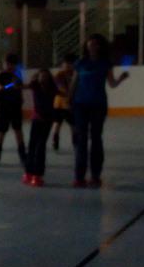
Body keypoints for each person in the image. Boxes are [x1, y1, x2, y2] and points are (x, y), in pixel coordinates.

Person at [70, 34, 129, 188]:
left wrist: (121, 79)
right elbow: (74, 83)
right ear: (86, 46)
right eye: (90, 44)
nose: (93, 47)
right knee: (81, 140)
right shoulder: (80, 63)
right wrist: (70, 102)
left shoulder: (105, 63)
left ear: (100, 47)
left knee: (96, 138)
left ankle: (95, 175)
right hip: (80, 104)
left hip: (98, 105)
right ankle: (79, 176)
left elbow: (112, 83)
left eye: (96, 44)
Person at [23, 69, 58, 187]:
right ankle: (28, 173)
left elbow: (63, 93)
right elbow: (19, 86)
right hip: (37, 120)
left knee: (40, 146)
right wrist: (8, 85)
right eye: (41, 76)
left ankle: (37, 175)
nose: (43, 78)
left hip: (47, 121)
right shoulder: (35, 86)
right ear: (38, 78)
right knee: (32, 145)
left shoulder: (52, 89)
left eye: (45, 76)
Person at [0, 53, 26, 165]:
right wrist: (0, 87)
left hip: (15, 107)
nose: (8, 66)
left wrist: (21, 97)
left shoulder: (17, 76)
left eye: (10, 64)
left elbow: (20, 88)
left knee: (18, 130)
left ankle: (22, 154)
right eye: (6, 64)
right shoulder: (1, 76)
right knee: (1, 131)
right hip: (3, 108)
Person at [51, 53, 77, 151]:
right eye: (65, 64)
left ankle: (75, 141)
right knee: (57, 123)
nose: (67, 66)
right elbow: (60, 87)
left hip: (71, 104)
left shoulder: (75, 73)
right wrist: (68, 92)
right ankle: (55, 140)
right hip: (59, 104)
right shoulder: (59, 75)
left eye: (70, 64)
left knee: (73, 124)